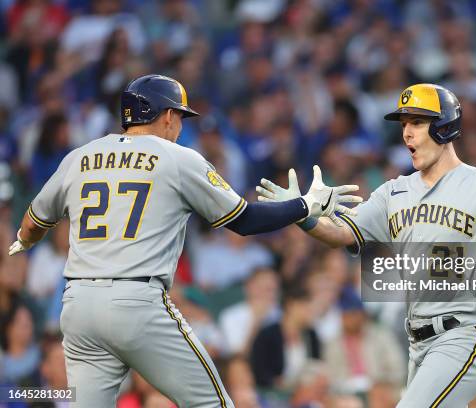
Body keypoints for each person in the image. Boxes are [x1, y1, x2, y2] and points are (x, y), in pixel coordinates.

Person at [7, 74, 361, 408]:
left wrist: (23, 242)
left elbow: (33, 221)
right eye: (179, 116)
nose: (179, 126)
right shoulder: (177, 158)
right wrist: (303, 206)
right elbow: (245, 221)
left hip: (79, 304)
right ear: (165, 116)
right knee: (212, 403)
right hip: (136, 302)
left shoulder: (79, 157)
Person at [256, 83, 476, 407]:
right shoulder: (393, 192)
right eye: (404, 124)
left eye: (417, 122)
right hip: (418, 344)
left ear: (445, 128)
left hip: (463, 334)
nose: (406, 133)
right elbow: (341, 233)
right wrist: (300, 214)